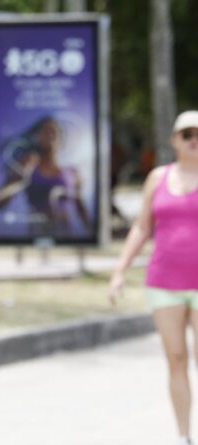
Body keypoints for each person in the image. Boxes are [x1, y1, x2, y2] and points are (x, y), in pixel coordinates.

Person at [109, 111, 198, 445]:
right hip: (164, 282)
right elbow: (143, 227)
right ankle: (184, 435)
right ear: (175, 140)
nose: (193, 139)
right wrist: (120, 271)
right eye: (186, 133)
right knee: (176, 358)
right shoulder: (158, 178)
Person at [0, 116, 91, 237]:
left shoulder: (71, 172)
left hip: (65, 232)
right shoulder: (27, 166)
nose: (50, 136)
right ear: (37, 137)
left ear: (61, 138)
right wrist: (22, 175)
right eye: (45, 131)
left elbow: (81, 208)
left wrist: (93, 235)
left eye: (54, 131)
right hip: (37, 231)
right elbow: (0, 202)